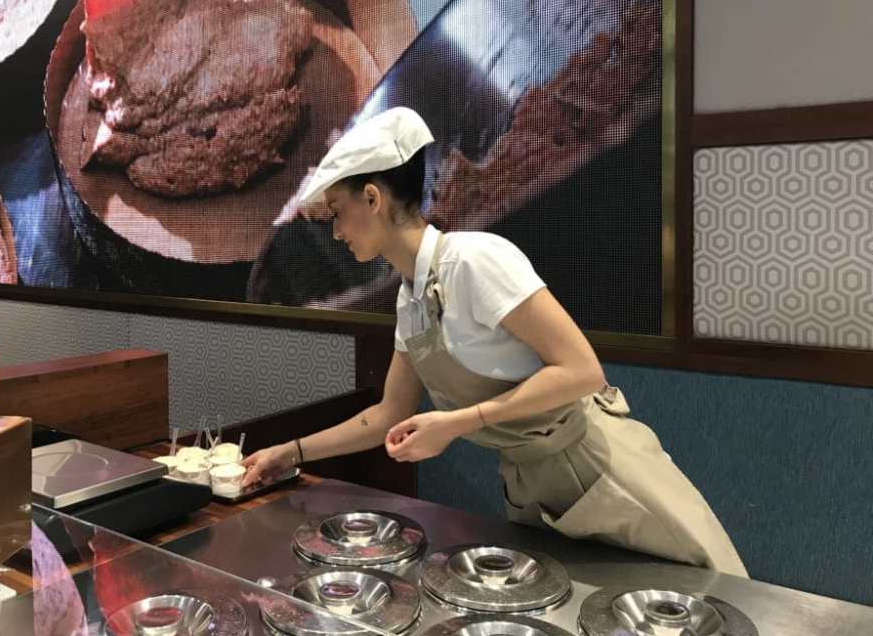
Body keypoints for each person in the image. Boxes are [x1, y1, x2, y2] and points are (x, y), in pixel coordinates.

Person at [242, 107, 747, 577]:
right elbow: (387, 414)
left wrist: (459, 423)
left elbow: (581, 370)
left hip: (600, 469)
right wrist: (289, 453)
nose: (335, 233)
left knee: (710, 602)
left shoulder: (475, 260)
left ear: (372, 198)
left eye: (336, 213)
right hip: (532, 490)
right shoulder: (410, 298)